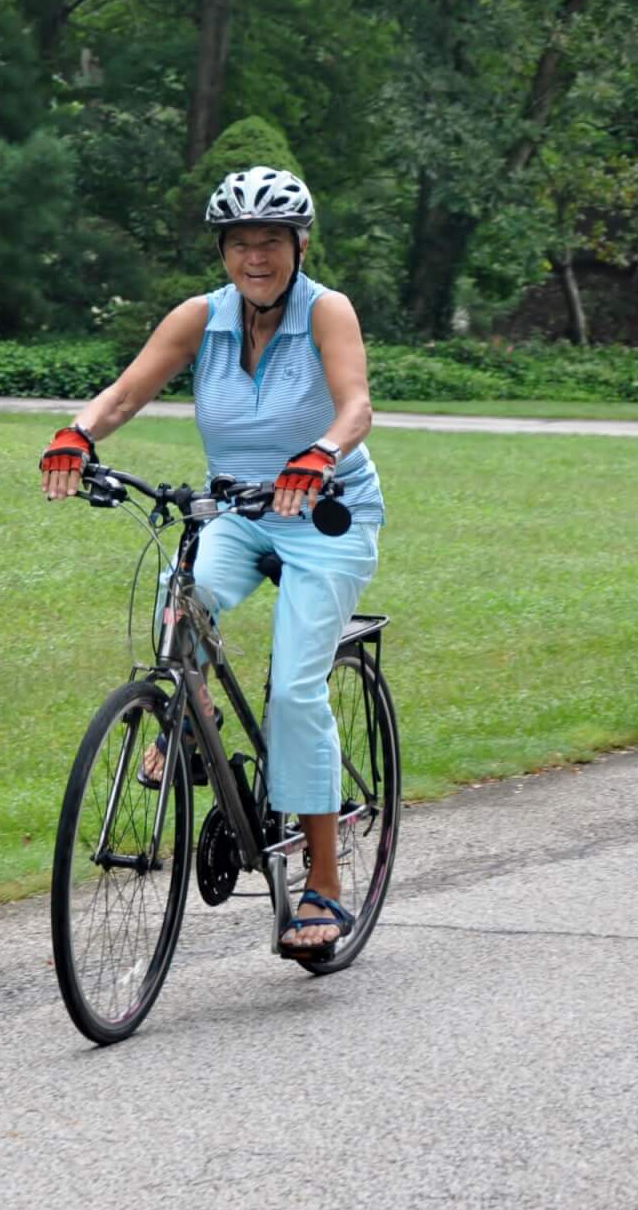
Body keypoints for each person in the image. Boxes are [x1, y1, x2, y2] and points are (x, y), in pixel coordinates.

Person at [39, 166, 384, 960]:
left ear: (299, 245)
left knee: (297, 687)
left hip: (323, 511)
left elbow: (356, 405)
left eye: (269, 240)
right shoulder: (201, 317)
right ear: (223, 251)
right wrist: (77, 434)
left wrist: (321, 453)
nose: (253, 257)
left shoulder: (327, 310)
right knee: (181, 597)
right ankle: (194, 715)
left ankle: (322, 883)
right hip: (238, 509)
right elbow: (124, 395)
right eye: (238, 243)